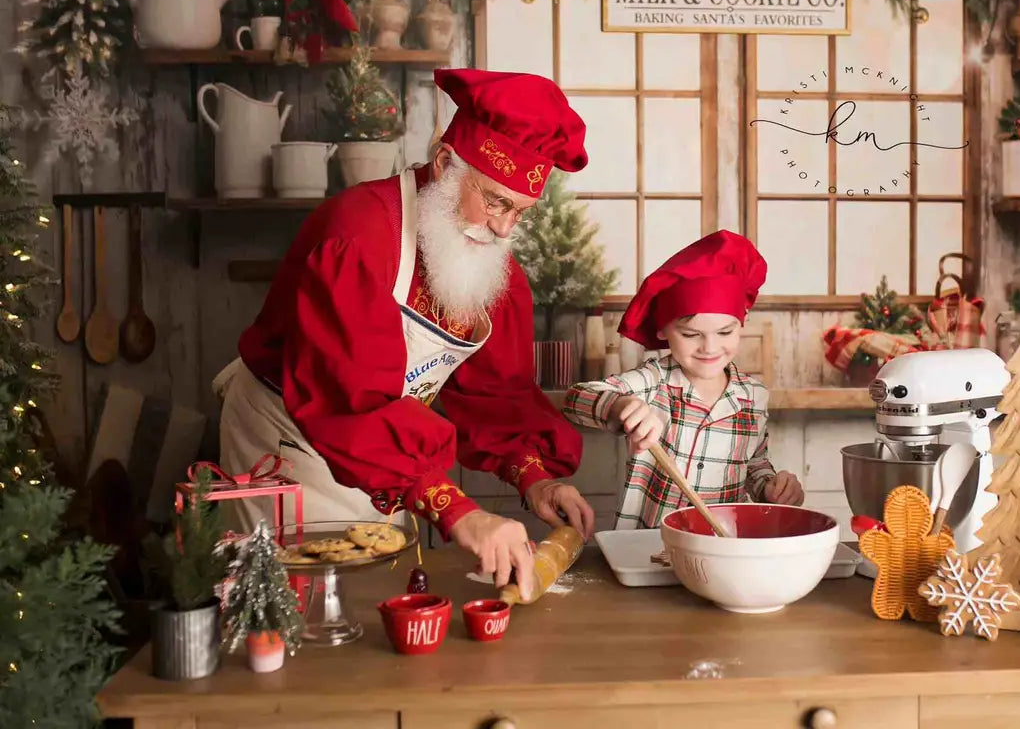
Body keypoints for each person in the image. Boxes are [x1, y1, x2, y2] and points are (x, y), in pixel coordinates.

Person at [213, 68, 597, 600]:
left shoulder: (489, 263)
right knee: (294, 605)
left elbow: (495, 395)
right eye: (495, 201)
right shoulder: (358, 235)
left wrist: (535, 476)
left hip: (384, 451)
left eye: (521, 212)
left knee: (373, 598)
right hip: (290, 437)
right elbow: (346, 397)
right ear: (445, 164)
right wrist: (455, 508)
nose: (504, 229)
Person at [561, 230, 804, 530]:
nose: (710, 348)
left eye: (725, 332)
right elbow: (575, 398)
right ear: (663, 330)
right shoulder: (653, 381)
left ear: (742, 323)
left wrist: (771, 487)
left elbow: (754, 464)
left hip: (719, 545)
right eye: (691, 334)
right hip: (650, 545)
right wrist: (616, 405)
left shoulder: (753, 396)